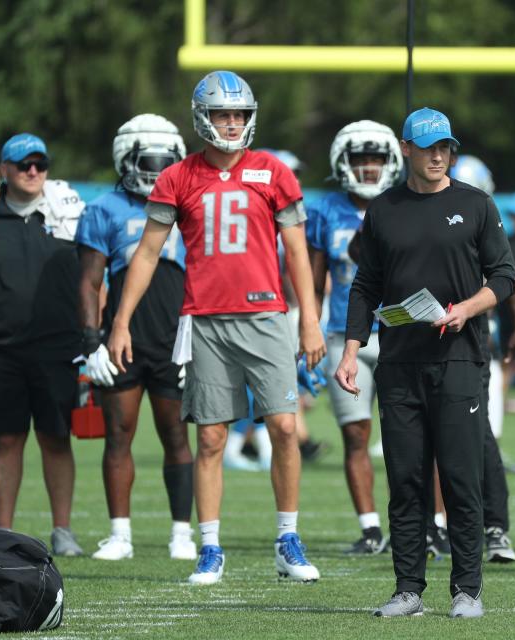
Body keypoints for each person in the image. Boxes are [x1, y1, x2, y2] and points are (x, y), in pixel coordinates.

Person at [107, 70, 325, 585]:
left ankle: (287, 540)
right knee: (209, 438)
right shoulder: (178, 177)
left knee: (286, 427)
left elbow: (297, 252)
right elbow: (147, 253)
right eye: (224, 114)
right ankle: (210, 547)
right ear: (204, 117)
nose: (232, 124)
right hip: (205, 320)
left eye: (239, 115)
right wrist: (120, 321)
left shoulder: (273, 171)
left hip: (266, 314)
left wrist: (309, 320)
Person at [336, 107, 515, 618]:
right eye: (429, 146)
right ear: (407, 149)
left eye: (446, 147)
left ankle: (467, 590)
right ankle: (408, 589)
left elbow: (504, 276)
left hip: (460, 359)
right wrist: (352, 350)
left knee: (460, 477)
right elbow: (365, 285)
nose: (439, 155)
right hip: (397, 363)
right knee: (406, 479)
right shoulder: (384, 209)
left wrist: (466, 308)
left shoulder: (476, 205)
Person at [76, 114, 197, 562]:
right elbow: (88, 283)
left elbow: (203, 275)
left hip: (174, 338)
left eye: (168, 162)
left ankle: (182, 533)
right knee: (118, 436)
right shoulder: (104, 209)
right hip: (121, 341)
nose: (159, 170)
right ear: (126, 159)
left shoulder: (189, 206)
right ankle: (120, 534)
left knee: (177, 437)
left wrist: (196, 339)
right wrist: (91, 341)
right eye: (150, 160)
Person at [0, 133, 86, 556]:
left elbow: (93, 281)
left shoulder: (67, 215)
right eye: (24, 165)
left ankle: (63, 530)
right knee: (8, 440)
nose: (34, 171)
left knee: (57, 439)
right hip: (1, 350)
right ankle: (3, 533)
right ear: (4, 170)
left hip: (58, 349)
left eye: (41, 164)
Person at [307, 119, 402, 554]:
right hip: (345, 336)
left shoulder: (409, 202)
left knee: (419, 438)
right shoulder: (325, 210)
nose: (368, 167)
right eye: (360, 158)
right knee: (355, 434)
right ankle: (370, 529)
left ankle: (432, 525)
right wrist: (306, 333)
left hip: (403, 332)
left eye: (376, 158)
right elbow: (312, 281)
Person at [448, 153, 515, 563]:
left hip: (473, 340)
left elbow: (507, 277)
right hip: (423, 340)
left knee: (478, 436)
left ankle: (495, 525)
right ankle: (433, 527)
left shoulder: (482, 218)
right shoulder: (417, 211)